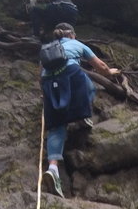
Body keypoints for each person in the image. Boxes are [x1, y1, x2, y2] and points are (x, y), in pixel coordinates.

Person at [39, 23, 119, 198]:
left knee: (57, 126)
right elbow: (100, 66)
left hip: (48, 82)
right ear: (72, 35)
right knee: (89, 87)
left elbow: (43, 73)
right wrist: (110, 73)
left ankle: (53, 168)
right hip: (70, 73)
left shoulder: (48, 49)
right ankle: (83, 117)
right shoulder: (78, 44)